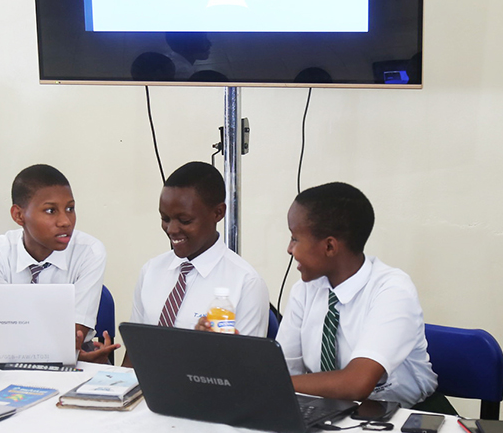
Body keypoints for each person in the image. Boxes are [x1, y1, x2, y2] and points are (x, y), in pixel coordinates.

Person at [276, 182, 437, 407]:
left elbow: (355, 384)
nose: (289, 249)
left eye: (295, 238)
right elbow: (284, 369)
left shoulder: (392, 290)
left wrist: (271, 383)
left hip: (403, 414)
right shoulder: (304, 290)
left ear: (330, 247)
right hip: (329, 409)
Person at [126, 161, 269, 365]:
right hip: (146, 393)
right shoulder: (151, 271)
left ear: (218, 213)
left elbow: (246, 372)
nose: (171, 229)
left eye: (184, 221)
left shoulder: (246, 283)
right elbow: (135, 353)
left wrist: (205, 349)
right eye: (165, 218)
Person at [0, 164, 119, 363]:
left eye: (70, 209)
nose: (65, 221)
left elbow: (75, 336)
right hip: (9, 357)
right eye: (51, 210)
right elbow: (0, 331)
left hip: (75, 356)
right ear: (18, 215)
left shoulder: (90, 251)